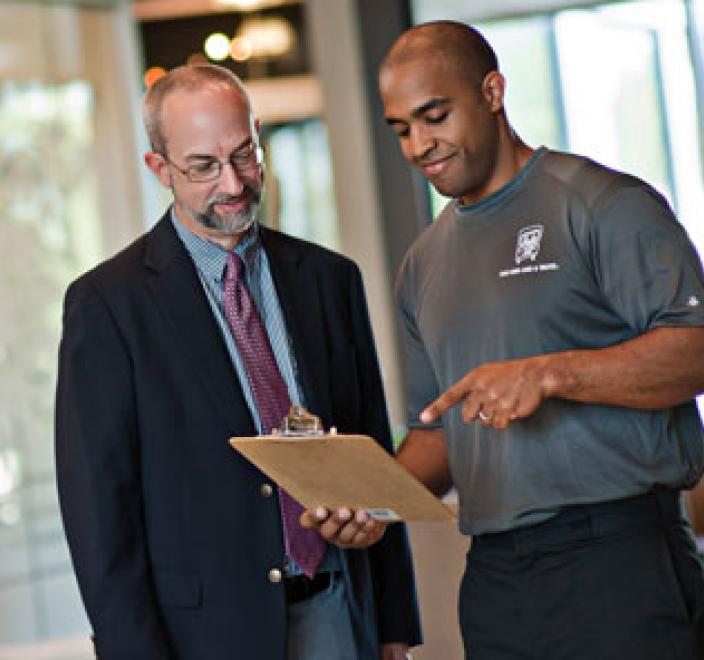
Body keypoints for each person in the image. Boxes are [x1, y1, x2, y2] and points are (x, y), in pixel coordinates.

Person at [304, 20, 704, 660]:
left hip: (621, 559)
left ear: (492, 91)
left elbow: (695, 349)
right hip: (495, 576)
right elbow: (437, 434)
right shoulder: (423, 264)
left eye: (435, 116)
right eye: (402, 128)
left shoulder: (602, 203)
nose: (419, 145)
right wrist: (368, 501)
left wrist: (549, 375)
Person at [55, 63, 421, 660]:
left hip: (336, 609)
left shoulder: (330, 280)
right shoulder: (108, 305)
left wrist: (394, 628)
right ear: (160, 170)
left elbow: (369, 450)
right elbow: (100, 516)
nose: (233, 183)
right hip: (202, 636)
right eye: (203, 166)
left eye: (245, 155)